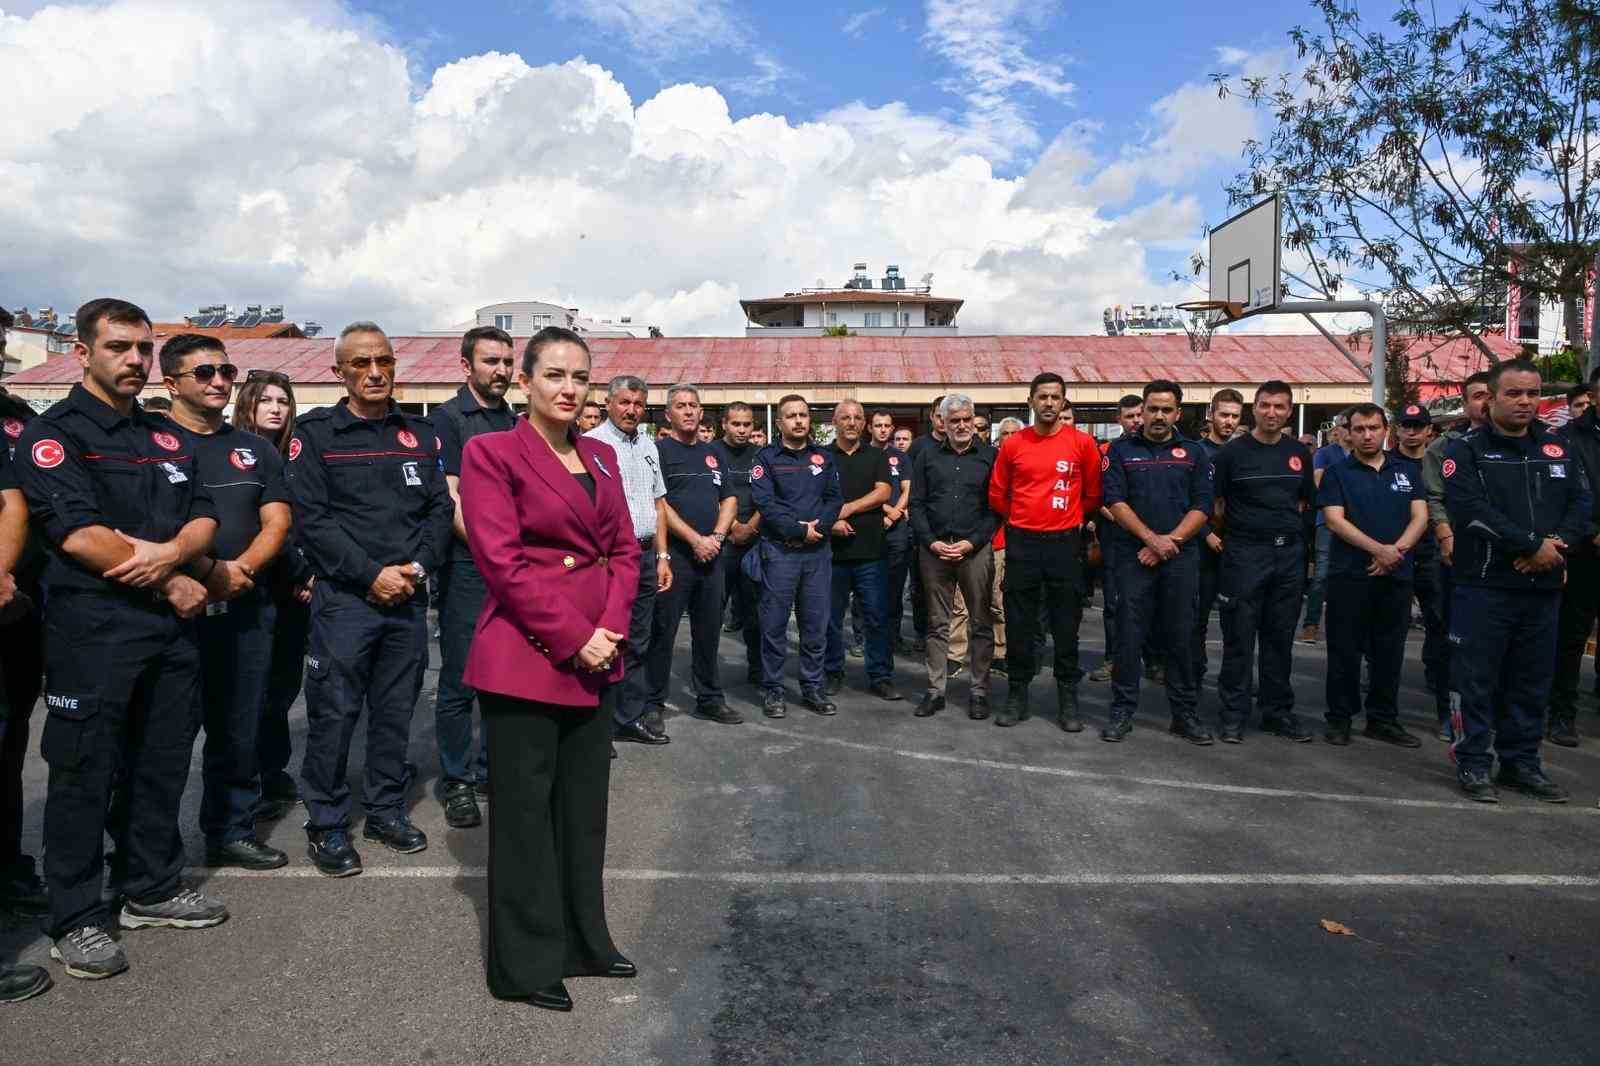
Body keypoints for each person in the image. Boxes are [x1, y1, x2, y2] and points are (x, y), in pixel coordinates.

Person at [16, 298, 226, 981]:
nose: (134, 359)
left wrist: (175, 557)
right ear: (82, 353)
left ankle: (151, 886)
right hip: (94, 632)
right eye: (119, 347)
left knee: (161, 762)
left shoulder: (164, 436)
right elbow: (78, 535)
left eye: (143, 347)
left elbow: (203, 517)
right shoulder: (54, 435)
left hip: (168, 636)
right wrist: (171, 578)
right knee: (83, 773)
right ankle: (75, 916)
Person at [457, 326, 640, 1013]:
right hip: (527, 659)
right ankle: (526, 962)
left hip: (598, 655)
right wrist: (575, 637)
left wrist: (611, 629)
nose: (569, 388)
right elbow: (500, 563)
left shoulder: (600, 454)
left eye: (580, 377)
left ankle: (583, 940)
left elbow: (623, 549)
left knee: (583, 813)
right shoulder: (491, 452)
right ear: (526, 381)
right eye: (556, 374)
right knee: (526, 818)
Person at [286, 322, 452, 876]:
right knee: (333, 714)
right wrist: (370, 575)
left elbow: (438, 510)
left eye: (383, 360)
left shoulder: (419, 434)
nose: (375, 372)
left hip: (407, 596)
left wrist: (419, 567)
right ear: (339, 373)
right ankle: (328, 824)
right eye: (361, 364)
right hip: (346, 602)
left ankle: (385, 809)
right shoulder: (315, 435)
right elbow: (311, 520)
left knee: (395, 711)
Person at [159, 335, 293, 869]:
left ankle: (230, 829)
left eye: (225, 370)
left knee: (238, 730)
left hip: (246, 608)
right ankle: (148, 847)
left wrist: (241, 572)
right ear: (171, 383)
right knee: (163, 738)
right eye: (205, 372)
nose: (219, 381)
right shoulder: (151, 443)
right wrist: (203, 573)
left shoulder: (254, 448)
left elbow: (277, 519)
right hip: (172, 610)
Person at [1443, 358, 1588, 803]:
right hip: (1484, 587)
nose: (1525, 402)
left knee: (1531, 681)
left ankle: (1522, 764)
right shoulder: (1465, 451)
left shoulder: (1558, 448)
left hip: (1542, 587)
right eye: (1514, 393)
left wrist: (1555, 546)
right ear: (1491, 396)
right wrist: (1529, 546)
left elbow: (1582, 505)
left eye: (1532, 393)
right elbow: (1470, 512)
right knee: (1477, 681)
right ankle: (1473, 763)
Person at [430, 326, 518, 828]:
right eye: (490, 361)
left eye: (506, 361)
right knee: (462, 677)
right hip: (469, 564)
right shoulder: (447, 419)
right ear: (467, 367)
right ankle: (457, 780)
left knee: (503, 675)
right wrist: (491, 551)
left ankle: (489, 769)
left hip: (511, 566)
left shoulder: (514, 421)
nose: (501, 370)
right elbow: (451, 497)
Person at [1100, 380, 1213, 744]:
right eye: (1153, 408)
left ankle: (1184, 714)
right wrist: (1151, 540)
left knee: (1180, 637)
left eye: (1167, 409)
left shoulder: (1195, 452)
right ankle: (1122, 712)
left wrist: (1170, 542)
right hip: (1133, 558)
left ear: (1177, 413)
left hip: (1180, 559)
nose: (1159, 416)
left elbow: (1203, 506)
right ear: (1142, 411)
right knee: (1129, 638)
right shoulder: (1119, 452)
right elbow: (1115, 503)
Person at [988, 372, 1102, 730]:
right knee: (1020, 623)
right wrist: (1022, 520)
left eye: (1056, 397)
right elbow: (997, 493)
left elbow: (1093, 495)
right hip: (1022, 542)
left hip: (1065, 544)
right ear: (1031, 401)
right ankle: (1017, 695)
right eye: (1043, 397)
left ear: (1064, 402)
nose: (1049, 403)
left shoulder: (1082, 444)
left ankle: (1068, 698)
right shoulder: (1013, 444)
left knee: (1066, 624)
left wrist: (1067, 520)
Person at [1211, 380, 1316, 743]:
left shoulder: (1298, 454)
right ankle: (1233, 714)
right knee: (1239, 640)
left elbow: (1305, 504)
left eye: (1280, 407)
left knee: (1279, 641)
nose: (1272, 413)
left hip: (1288, 557)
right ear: (1253, 408)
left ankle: (1276, 712)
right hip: (1244, 556)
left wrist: (1304, 553)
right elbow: (1213, 505)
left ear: (1289, 412)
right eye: (1265, 405)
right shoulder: (1230, 454)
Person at [1317, 405, 1426, 748]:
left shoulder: (1407, 470)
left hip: (1396, 575)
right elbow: (1335, 520)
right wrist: (1378, 550)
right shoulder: (1337, 473)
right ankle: (1340, 718)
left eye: (1374, 428)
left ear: (1385, 430)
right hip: (1350, 575)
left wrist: (1396, 552)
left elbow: (1420, 517)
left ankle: (1383, 719)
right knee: (1344, 650)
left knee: (1389, 651)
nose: (1367, 435)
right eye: (1360, 429)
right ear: (1348, 432)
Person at [232, 370, 310, 818]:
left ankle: (272, 770)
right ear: (249, 406)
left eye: (283, 401)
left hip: (294, 593)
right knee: (248, 694)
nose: (276, 409)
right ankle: (245, 781)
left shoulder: (297, 457)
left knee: (282, 689)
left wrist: (308, 575)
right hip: (252, 586)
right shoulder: (234, 453)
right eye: (266, 401)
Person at [0, 331, 51, 1000]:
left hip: (17, 614)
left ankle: (9, 872)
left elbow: (24, 503)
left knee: (10, 752)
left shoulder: (19, 417)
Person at [586, 376, 672, 749]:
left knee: (638, 641)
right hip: (607, 558)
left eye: (638, 403)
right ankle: (595, 726)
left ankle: (627, 717)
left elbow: (659, 504)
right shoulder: (591, 445)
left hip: (645, 555)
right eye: (624, 402)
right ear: (608, 403)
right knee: (602, 638)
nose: (631, 410)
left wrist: (663, 555)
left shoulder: (649, 445)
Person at [647, 385, 740, 726]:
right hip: (674, 558)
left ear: (702, 413)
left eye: (693, 406)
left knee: (709, 631)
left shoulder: (713, 454)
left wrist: (715, 537)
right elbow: (660, 504)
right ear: (668, 414)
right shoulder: (657, 451)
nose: (688, 411)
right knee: (663, 632)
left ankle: (710, 698)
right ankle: (653, 702)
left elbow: (729, 499)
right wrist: (694, 540)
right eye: (680, 406)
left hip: (712, 558)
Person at [749, 394, 842, 718]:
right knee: (774, 626)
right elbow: (766, 504)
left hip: (817, 555)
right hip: (780, 554)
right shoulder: (766, 459)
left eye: (803, 415)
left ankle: (813, 688)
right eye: (792, 416)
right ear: (780, 423)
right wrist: (799, 530)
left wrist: (821, 527)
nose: (799, 420)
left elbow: (834, 499)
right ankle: (774, 690)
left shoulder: (823, 458)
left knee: (815, 626)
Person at [909, 395, 998, 719]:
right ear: (942, 423)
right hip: (934, 551)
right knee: (937, 624)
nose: (961, 425)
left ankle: (979, 692)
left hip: (973, 551)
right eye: (954, 420)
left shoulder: (990, 456)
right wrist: (931, 542)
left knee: (980, 622)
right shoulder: (926, 456)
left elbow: (996, 509)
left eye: (966, 419)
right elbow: (915, 504)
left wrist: (972, 543)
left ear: (974, 420)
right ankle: (935, 691)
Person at [1421, 371, 1492, 741]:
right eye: (1476, 395)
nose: (1483, 402)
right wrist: (1446, 534)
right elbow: (1433, 498)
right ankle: (1449, 712)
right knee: (1448, 635)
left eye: (1488, 394)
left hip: (1505, 557)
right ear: (1465, 403)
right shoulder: (1444, 448)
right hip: (1454, 556)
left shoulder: (1531, 444)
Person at [825, 401, 898, 700]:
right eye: (846, 417)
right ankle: (832, 671)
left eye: (857, 418)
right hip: (831, 554)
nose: (852, 422)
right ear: (835, 422)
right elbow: (811, 496)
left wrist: (847, 509)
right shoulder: (822, 457)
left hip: (871, 552)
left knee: (877, 616)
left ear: (864, 423)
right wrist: (832, 522)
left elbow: (884, 491)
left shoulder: (877, 456)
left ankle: (880, 675)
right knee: (829, 618)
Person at [1390, 403, 1449, 735]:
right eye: (1406, 425)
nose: (1411, 431)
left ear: (1429, 431)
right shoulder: (1385, 464)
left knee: (1441, 631)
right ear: (1397, 430)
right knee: (1389, 631)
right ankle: (1384, 712)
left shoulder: (1441, 464)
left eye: (1418, 426)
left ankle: (1445, 714)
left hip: (1433, 556)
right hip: (1396, 554)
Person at [1549, 366, 1600, 747]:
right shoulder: (1568, 440)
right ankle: (1561, 713)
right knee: (1571, 637)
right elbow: (1569, 496)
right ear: (1593, 397)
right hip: (1585, 552)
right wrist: (1592, 531)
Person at [1089, 394, 1146, 684]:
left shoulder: (1164, 450)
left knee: (1155, 603)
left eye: (1139, 414)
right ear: (1119, 419)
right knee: (1113, 603)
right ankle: (1113, 659)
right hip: (1117, 538)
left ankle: (1155, 659)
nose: (1136, 420)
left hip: (1153, 539)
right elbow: (1099, 496)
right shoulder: (1109, 451)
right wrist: (1126, 522)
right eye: (1129, 416)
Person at [1190, 389, 1242, 691]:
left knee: (1237, 622)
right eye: (1224, 414)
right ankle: (1193, 677)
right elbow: (1185, 502)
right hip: (1201, 548)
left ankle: (1234, 681)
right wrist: (1206, 533)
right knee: (1195, 620)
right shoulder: (1196, 453)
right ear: (1211, 415)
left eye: (1235, 416)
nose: (1229, 421)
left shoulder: (1244, 452)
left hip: (1238, 549)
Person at [713, 402, 764, 684]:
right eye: (736, 424)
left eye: (747, 424)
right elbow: (709, 494)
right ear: (725, 424)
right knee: (712, 611)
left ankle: (757, 668)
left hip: (754, 542)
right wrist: (732, 526)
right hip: (722, 542)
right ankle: (707, 672)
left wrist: (750, 527)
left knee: (755, 613)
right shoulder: (711, 454)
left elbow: (769, 496)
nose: (742, 430)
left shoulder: (761, 455)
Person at [1299, 410, 1351, 644]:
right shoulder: (1325, 453)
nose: (1348, 430)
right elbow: (1318, 482)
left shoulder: (1364, 453)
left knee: (1350, 577)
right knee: (1321, 574)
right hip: (1328, 521)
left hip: (1358, 523)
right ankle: (1311, 623)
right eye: (1346, 425)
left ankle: (1345, 627)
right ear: (1337, 429)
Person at [870, 410, 915, 655]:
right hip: (872, 530)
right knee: (867, 588)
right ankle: (861, 636)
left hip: (898, 533)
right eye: (878, 425)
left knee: (895, 588)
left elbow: (907, 488)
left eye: (887, 425)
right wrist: (887, 511)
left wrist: (896, 512)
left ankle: (894, 636)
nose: (883, 430)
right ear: (870, 428)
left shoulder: (900, 457)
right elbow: (863, 490)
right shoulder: (864, 455)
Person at [988, 417, 1025, 674]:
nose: (1009, 437)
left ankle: (1007, 652)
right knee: (982, 602)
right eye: (1004, 433)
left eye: (1014, 433)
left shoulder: (1028, 463)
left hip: (1016, 540)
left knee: (1004, 602)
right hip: (984, 540)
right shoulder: (988, 462)